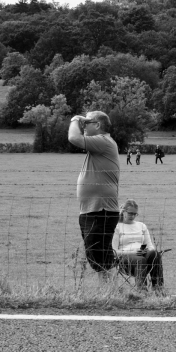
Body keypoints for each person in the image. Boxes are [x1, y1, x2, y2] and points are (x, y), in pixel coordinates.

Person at [68, 111, 120, 282]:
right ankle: (108, 295)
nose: (82, 124)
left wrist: (75, 119)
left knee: (102, 258)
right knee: (96, 258)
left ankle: (112, 296)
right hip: (93, 210)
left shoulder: (103, 141)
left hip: (101, 210)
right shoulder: (98, 145)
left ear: (97, 125)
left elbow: (73, 138)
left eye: (86, 121)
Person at [113, 199, 163, 289]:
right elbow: (115, 252)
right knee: (140, 259)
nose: (132, 216)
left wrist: (145, 251)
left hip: (141, 254)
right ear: (124, 212)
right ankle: (142, 292)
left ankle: (159, 289)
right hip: (124, 259)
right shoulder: (117, 227)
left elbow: (149, 246)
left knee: (155, 254)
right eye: (130, 213)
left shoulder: (141, 226)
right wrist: (133, 253)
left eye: (135, 214)